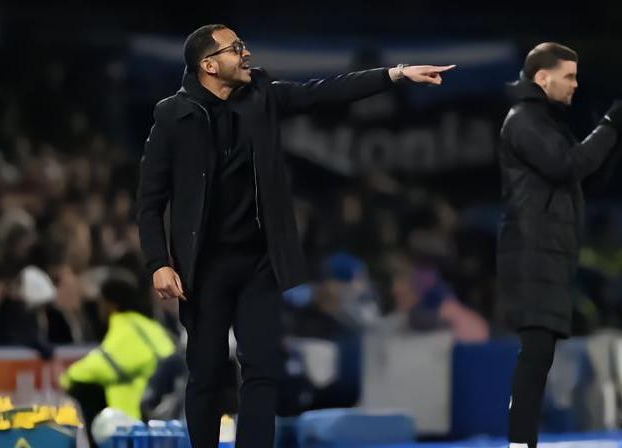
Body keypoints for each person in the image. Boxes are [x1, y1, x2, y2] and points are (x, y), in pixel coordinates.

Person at [137, 23, 454, 448]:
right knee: (207, 372)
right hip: (204, 266)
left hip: (259, 262)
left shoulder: (261, 96)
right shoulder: (172, 116)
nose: (245, 53)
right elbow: (150, 200)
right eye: (235, 48)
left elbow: (324, 92)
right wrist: (159, 262)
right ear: (208, 65)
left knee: (262, 367)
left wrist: (394, 74)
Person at [496, 42, 622, 448]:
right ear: (542, 77)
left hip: (547, 249)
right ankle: (520, 443)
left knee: (540, 351)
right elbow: (566, 165)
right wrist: (610, 125)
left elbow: (583, 177)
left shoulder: (545, 122)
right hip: (532, 250)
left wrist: (610, 134)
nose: (575, 84)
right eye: (569, 76)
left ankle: (521, 442)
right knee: (535, 351)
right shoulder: (524, 119)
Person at [59, 273, 175, 446]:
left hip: (135, 419)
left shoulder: (123, 326)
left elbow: (103, 364)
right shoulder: (150, 326)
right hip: (166, 413)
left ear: (110, 304)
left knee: (81, 387)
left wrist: (66, 377)